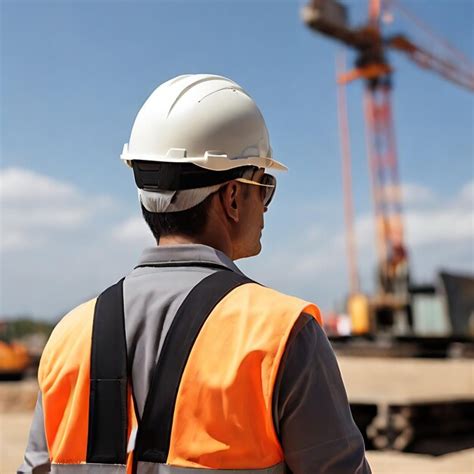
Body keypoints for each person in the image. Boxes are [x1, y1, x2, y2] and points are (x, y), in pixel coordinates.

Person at [19, 74, 371, 474]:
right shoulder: (280, 334)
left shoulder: (68, 336)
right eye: (265, 186)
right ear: (233, 196)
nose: (267, 206)